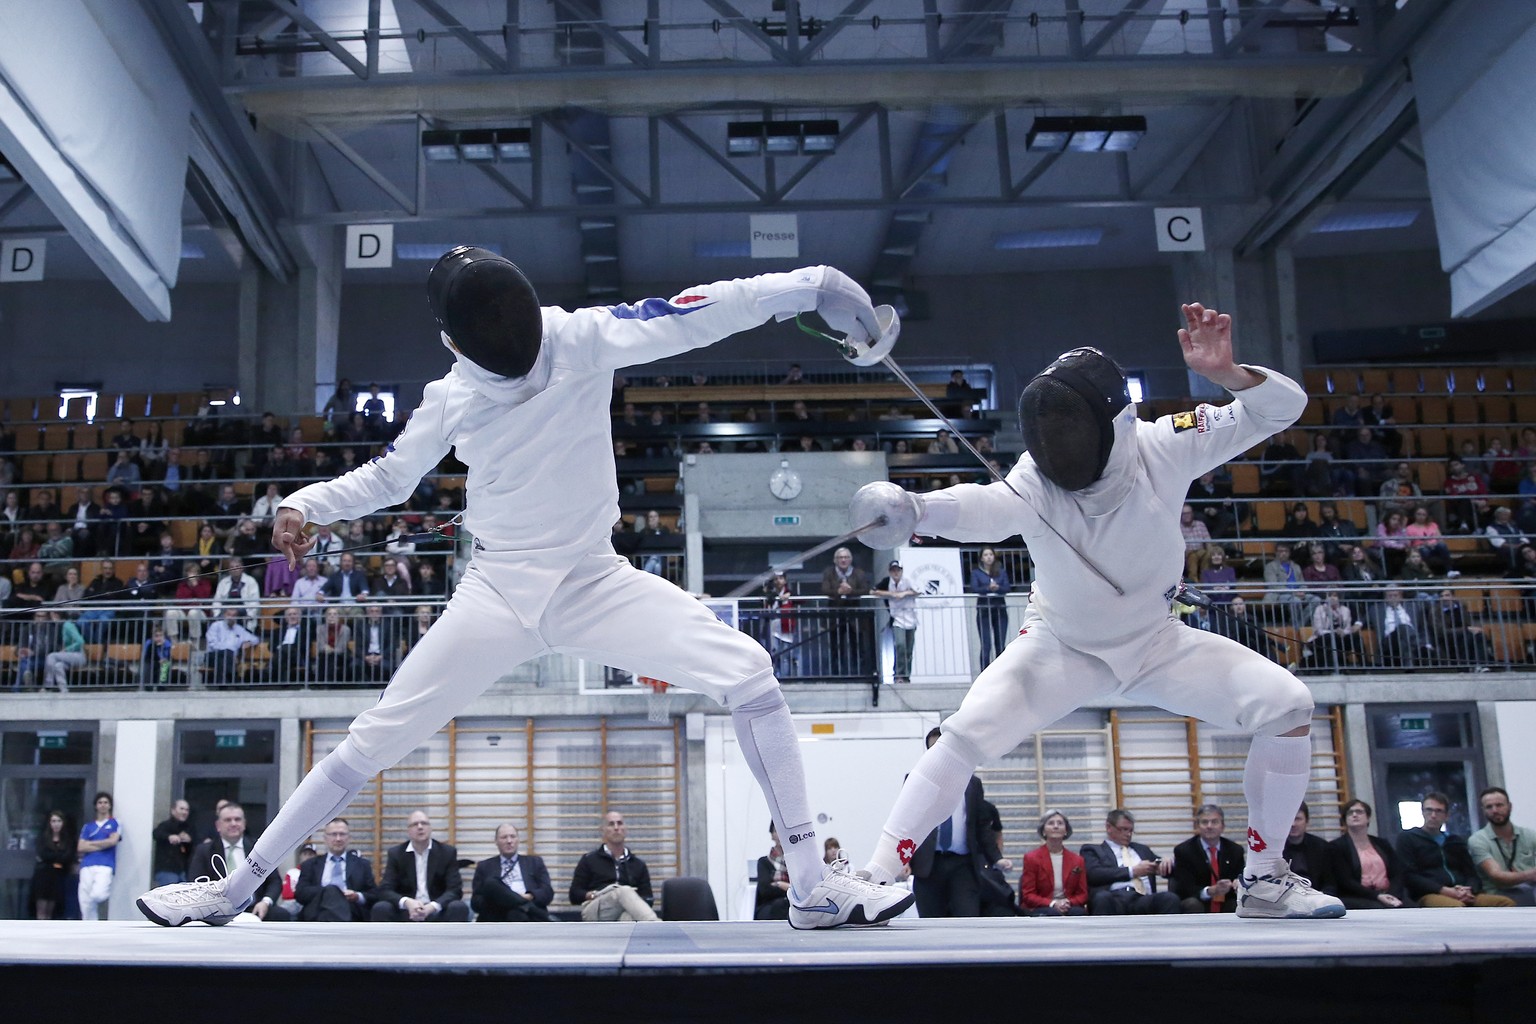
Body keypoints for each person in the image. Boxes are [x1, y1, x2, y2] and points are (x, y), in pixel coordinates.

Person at [138, 253, 910, 932]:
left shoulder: (577, 335)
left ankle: (810, 888)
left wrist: (815, 286)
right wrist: (308, 501)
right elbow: (387, 477)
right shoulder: (482, 382)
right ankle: (233, 889)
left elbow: (705, 311)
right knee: (373, 737)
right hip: (497, 594)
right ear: (459, 341)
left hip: (594, 580)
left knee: (749, 675)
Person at [849, 304, 1343, 919]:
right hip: (1062, 646)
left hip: (1158, 643)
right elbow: (987, 509)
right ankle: (873, 876)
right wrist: (917, 510)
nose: (1060, 446)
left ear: (1117, 423)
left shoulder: (1166, 445)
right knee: (963, 735)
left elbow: (1282, 409)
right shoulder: (1037, 479)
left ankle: (1265, 879)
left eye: (1072, 427)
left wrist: (1231, 373)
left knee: (1288, 706)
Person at [907, 726, 997, 919]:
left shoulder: (973, 784)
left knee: (967, 916)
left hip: (962, 864)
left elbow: (981, 826)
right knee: (930, 920)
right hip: (928, 864)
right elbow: (908, 823)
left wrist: (996, 858)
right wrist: (902, 859)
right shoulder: (915, 780)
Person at [1396, 792, 1516, 908]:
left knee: (1505, 903)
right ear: (1422, 812)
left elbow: (1472, 874)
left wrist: (1469, 889)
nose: (1433, 815)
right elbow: (1410, 876)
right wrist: (1444, 890)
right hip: (1430, 894)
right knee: (1456, 907)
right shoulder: (1408, 838)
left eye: (1439, 811)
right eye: (1429, 810)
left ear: (1446, 816)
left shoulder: (1454, 841)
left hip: (1464, 893)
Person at [186, 803, 289, 921]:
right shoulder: (204, 851)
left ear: (244, 824)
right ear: (218, 826)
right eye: (228, 820)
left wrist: (265, 902)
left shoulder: (259, 849)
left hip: (255, 908)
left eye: (237, 819)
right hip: (217, 911)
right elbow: (196, 883)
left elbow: (274, 881)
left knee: (282, 914)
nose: (233, 823)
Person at [370, 810, 470, 922]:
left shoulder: (447, 853)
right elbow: (385, 889)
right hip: (407, 910)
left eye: (424, 823)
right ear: (408, 831)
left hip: (436, 909)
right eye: (414, 824)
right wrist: (407, 902)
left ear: (430, 828)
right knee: (381, 908)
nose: (420, 827)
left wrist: (432, 907)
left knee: (458, 907)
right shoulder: (396, 854)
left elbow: (455, 890)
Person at [1079, 809, 1180, 916]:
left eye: (1131, 830)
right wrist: (1133, 871)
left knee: (1169, 898)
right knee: (1102, 897)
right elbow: (1094, 874)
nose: (1128, 834)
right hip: (1114, 897)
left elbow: (1164, 867)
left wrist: (1167, 862)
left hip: (1142, 898)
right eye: (1123, 829)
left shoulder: (1142, 850)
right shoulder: (1093, 850)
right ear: (1109, 827)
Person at [569, 810, 659, 922]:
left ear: (625, 830)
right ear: (603, 830)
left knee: (627, 918)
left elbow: (648, 898)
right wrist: (593, 895)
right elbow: (574, 895)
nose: (616, 828)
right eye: (611, 824)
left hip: (626, 910)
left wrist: (632, 899)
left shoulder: (638, 864)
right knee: (624, 891)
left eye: (620, 823)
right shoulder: (589, 860)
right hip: (596, 910)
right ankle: (657, 927)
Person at [291, 817, 376, 922]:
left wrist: (357, 896)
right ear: (325, 838)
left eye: (342, 834)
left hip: (351, 910)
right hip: (317, 909)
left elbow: (374, 894)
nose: (338, 839)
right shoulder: (310, 865)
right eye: (334, 834)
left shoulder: (362, 864)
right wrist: (328, 892)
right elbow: (300, 893)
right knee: (331, 891)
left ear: (349, 838)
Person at [1327, 799, 1405, 910]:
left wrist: (1392, 895)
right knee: (1377, 908)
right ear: (1345, 819)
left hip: (1387, 893)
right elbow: (1345, 881)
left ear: (1368, 818)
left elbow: (1397, 873)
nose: (1354, 815)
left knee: (1411, 907)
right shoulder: (1337, 847)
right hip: (1357, 896)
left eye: (1359, 812)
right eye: (1350, 813)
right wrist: (1377, 896)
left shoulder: (1382, 843)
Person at [471, 821, 554, 922]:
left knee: (516, 914)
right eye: (504, 837)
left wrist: (529, 896)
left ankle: (523, 906)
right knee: (491, 883)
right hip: (497, 914)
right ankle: (525, 906)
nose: (509, 841)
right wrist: (500, 899)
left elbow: (547, 892)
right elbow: (475, 902)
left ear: (518, 840)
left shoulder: (535, 862)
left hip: (527, 916)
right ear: (496, 841)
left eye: (512, 836)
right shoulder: (484, 866)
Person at [1467, 786, 1536, 907]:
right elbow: (1497, 875)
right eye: (1489, 807)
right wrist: (1529, 874)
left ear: (1510, 806)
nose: (1495, 810)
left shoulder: (1530, 835)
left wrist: (1519, 876)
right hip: (1499, 895)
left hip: (1531, 890)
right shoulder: (1477, 840)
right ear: (1483, 810)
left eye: (1499, 805)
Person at [1170, 804, 1244, 913]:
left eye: (1214, 822)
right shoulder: (1184, 851)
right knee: (1192, 904)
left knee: (1238, 904)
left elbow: (1241, 878)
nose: (1209, 826)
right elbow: (1184, 888)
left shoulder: (1235, 850)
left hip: (1227, 900)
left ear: (1222, 826)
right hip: (1198, 901)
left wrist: (1237, 884)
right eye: (1204, 822)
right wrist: (1210, 891)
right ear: (1197, 826)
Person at [1018, 810, 1087, 916]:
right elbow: (1028, 895)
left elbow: (1082, 894)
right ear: (1043, 831)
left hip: (1068, 906)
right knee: (1052, 914)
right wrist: (1053, 903)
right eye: (1051, 823)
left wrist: (1068, 902)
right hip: (1042, 906)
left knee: (1078, 913)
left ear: (1066, 831)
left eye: (1060, 823)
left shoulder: (1077, 860)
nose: (1056, 826)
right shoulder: (1031, 858)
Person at [818, 545, 873, 679]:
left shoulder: (858, 573)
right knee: (836, 646)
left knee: (857, 645)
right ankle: (836, 674)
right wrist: (838, 591)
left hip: (854, 615)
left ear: (850, 559)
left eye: (846, 557)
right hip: (835, 615)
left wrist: (850, 591)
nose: (843, 560)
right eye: (840, 557)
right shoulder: (829, 572)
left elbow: (866, 590)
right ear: (835, 560)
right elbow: (825, 590)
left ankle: (858, 673)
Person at [872, 561, 918, 684]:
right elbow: (873, 591)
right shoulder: (887, 582)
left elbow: (918, 591)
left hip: (911, 618)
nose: (896, 573)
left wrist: (904, 593)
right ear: (890, 572)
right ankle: (898, 674)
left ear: (901, 571)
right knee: (900, 645)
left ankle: (906, 675)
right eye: (893, 570)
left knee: (908, 649)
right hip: (897, 618)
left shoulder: (907, 580)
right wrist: (891, 594)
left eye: (898, 570)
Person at [78, 791, 121, 921]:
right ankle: (89, 926)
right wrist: (104, 843)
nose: (103, 805)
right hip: (87, 864)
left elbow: (113, 841)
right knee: (85, 901)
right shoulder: (88, 827)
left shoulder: (115, 823)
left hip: (105, 864)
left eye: (105, 802)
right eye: (100, 802)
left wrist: (90, 843)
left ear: (110, 806)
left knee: (98, 894)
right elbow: (80, 847)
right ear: (96, 806)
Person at [968, 547, 1011, 670]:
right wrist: (988, 588)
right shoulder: (976, 572)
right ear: (981, 558)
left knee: (1000, 644)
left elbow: (1007, 587)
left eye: (991, 554)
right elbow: (974, 588)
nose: (989, 557)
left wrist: (997, 588)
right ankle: (984, 673)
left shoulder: (1001, 571)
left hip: (1000, 610)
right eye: (986, 555)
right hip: (984, 611)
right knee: (986, 645)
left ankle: (1001, 672)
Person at [1281, 802, 1335, 897]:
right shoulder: (1276, 849)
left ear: (1307, 821)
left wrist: (1322, 897)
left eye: (1298, 819)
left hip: (1317, 897)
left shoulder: (1322, 847)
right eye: (1289, 819)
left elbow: (1330, 883)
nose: (1293, 824)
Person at [32, 810, 75, 920]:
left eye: (59, 821)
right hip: (43, 875)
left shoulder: (67, 840)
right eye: (53, 821)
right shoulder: (43, 838)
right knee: (41, 908)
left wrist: (54, 858)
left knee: (52, 908)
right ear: (49, 823)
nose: (56, 824)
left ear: (63, 823)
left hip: (58, 876)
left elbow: (67, 856)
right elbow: (43, 854)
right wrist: (57, 858)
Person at [204, 607, 261, 686]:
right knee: (225, 654)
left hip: (229, 659)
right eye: (229, 615)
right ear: (224, 615)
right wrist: (228, 652)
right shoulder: (216, 626)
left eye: (234, 615)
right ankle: (234, 680)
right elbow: (213, 645)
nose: (231, 617)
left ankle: (223, 684)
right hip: (213, 655)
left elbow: (255, 639)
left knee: (223, 660)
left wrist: (249, 643)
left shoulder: (239, 629)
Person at [151, 799, 194, 887]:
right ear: (173, 811)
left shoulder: (189, 828)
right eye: (181, 809)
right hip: (167, 870)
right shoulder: (165, 825)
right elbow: (156, 833)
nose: (184, 812)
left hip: (183, 872)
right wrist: (169, 837)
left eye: (187, 810)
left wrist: (190, 840)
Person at [755, 823, 792, 920]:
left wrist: (780, 884)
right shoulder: (764, 862)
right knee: (781, 906)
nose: (781, 834)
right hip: (770, 905)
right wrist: (791, 888)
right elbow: (765, 890)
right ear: (772, 835)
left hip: (792, 904)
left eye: (784, 831)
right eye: (777, 831)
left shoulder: (797, 861)